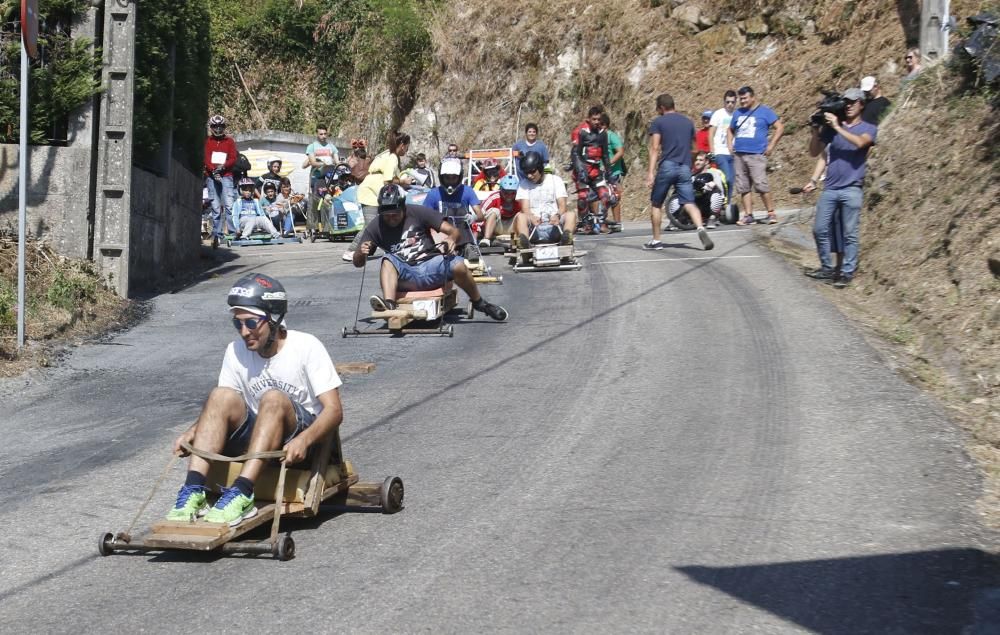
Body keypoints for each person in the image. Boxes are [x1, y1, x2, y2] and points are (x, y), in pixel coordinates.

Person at [166, 274, 344, 525]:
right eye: (237, 324)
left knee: (272, 399)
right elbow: (219, 410)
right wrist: (191, 433)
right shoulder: (234, 351)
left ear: (272, 319)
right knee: (219, 395)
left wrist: (304, 440)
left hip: (300, 438)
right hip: (258, 438)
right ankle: (194, 491)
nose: (244, 332)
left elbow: (334, 411)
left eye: (251, 322)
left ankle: (243, 493)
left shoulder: (306, 346)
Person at [353, 184, 508, 321]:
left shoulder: (418, 212)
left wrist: (451, 239)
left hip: (430, 265)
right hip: (405, 275)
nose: (391, 218)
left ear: (403, 208)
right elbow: (357, 262)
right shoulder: (376, 225)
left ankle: (479, 302)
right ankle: (389, 304)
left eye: (395, 214)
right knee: (387, 259)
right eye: (387, 215)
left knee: (459, 265)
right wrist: (361, 252)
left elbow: (453, 231)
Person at [802, 87, 877, 289]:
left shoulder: (867, 128)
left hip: (852, 188)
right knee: (819, 229)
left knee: (849, 233)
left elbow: (861, 143)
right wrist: (815, 130)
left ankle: (846, 272)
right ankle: (827, 268)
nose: (849, 105)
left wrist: (837, 127)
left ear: (861, 104)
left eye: (853, 102)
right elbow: (815, 152)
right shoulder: (833, 128)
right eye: (847, 102)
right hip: (831, 188)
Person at [645, 93, 714, 251]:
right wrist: (690, 162)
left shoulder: (658, 122)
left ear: (662, 107)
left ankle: (656, 241)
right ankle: (700, 228)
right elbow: (696, 148)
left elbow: (655, 148)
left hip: (667, 166)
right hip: (684, 167)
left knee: (656, 204)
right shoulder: (688, 122)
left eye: (658, 109)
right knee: (689, 202)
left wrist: (650, 172)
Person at [345, 130, 412, 261]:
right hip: (370, 193)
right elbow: (388, 180)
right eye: (407, 147)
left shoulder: (387, 154)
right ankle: (351, 250)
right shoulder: (392, 157)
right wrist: (403, 181)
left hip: (373, 192)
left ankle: (377, 248)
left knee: (383, 221)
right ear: (402, 145)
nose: (407, 151)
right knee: (370, 224)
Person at [727, 85, 784, 225]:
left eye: (745, 98)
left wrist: (771, 145)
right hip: (739, 154)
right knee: (743, 186)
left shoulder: (765, 112)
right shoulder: (738, 113)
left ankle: (771, 213)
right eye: (740, 99)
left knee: (761, 184)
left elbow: (780, 127)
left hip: (756, 154)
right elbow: (730, 130)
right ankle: (748, 214)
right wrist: (730, 145)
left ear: (753, 97)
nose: (742, 102)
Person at [423, 157, 482, 258]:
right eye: (447, 178)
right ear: (442, 177)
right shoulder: (433, 194)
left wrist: (474, 217)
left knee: (460, 214)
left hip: (462, 231)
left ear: (459, 177)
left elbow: (480, 215)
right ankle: (446, 250)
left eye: (453, 178)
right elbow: (424, 217)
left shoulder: (467, 191)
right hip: (441, 231)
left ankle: (468, 248)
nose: (450, 181)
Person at [513, 150, 575, 247]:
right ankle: (524, 243)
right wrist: (531, 217)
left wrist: (557, 216)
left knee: (571, 215)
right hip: (534, 227)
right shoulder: (524, 184)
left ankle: (566, 239)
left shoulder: (556, 180)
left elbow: (562, 205)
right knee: (520, 216)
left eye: (532, 172)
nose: (529, 176)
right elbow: (525, 209)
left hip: (554, 225)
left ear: (540, 168)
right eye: (526, 173)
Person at [570, 105, 613, 234]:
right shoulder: (580, 131)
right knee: (583, 197)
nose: (596, 122)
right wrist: (580, 169)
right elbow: (575, 153)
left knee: (605, 195)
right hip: (582, 169)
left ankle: (602, 223)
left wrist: (609, 171)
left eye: (598, 119)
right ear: (588, 119)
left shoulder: (602, 133)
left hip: (595, 170)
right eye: (594, 119)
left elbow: (605, 154)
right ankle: (585, 224)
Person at [667, 151, 726, 230]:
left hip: (707, 202)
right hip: (693, 203)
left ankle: (712, 217)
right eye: (696, 160)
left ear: (706, 162)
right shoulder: (690, 175)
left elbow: (721, 192)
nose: (697, 162)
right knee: (677, 194)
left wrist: (711, 185)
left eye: (701, 160)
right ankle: (676, 218)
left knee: (715, 193)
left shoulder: (713, 173)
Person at [203, 115, 239, 241]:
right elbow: (206, 158)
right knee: (215, 206)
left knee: (229, 205)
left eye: (220, 126)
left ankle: (232, 231)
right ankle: (216, 232)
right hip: (211, 177)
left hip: (226, 176)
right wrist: (213, 170)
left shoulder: (229, 141)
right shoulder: (208, 141)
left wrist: (223, 167)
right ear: (211, 127)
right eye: (215, 126)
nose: (218, 129)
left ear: (224, 127)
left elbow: (233, 158)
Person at [709, 90, 737, 205]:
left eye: (732, 102)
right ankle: (720, 203)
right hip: (720, 151)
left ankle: (727, 205)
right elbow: (711, 133)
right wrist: (712, 151)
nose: (730, 104)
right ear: (724, 102)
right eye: (727, 102)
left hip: (732, 152)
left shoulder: (737, 114)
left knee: (731, 182)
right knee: (727, 179)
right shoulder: (718, 114)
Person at [479, 174, 522, 247]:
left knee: (521, 215)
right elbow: (480, 215)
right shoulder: (494, 198)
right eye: (506, 192)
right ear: (501, 190)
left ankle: (520, 240)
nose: (509, 196)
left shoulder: (519, 200)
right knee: (494, 211)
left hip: (511, 229)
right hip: (496, 227)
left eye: (512, 193)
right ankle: (486, 239)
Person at [600, 112, 626, 227]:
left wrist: (608, 164)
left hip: (613, 173)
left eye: (600, 124)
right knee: (603, 197)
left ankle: (617, 223)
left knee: (615, 197)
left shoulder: (611, 136)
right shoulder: (597, 137)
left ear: (605, 125)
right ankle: (603, 223)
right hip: (600, 173)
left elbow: (620, 151)